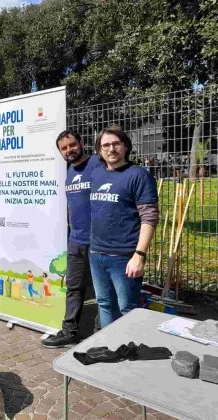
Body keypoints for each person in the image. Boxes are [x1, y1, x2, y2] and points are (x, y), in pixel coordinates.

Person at [89, 125, 159, 328]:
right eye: (106, 145)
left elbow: (149, 217)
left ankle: (129, 351)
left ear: (125, 146)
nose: (111, 149)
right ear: (99, 150)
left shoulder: (139, 175)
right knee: (103, 304)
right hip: (96, 253)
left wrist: (139, 255)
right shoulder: (96, 174)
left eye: (116, 144)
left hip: (124, 257)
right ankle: (106, 348)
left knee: (128, 308)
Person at [42, 130, 102, 349]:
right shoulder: (68, 171)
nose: (69, 150)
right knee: (74, 288)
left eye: (72, 145)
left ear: (81, 143)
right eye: (64, 148)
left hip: (99, 240)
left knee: (102, 291)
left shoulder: (97, 163)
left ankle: (100, 334)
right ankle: (69, 332)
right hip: (76, 240)